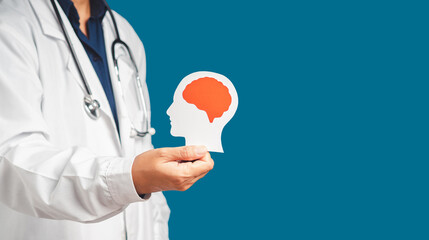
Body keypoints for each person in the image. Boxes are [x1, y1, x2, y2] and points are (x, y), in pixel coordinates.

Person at [0, 0, 214, 239]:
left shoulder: (123, 34)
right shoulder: (9, 24)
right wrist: (132, 177)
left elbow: (139, 145)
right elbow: (11, 162)